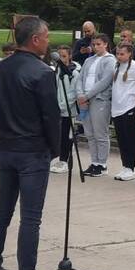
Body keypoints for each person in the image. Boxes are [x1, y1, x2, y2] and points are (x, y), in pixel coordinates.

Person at [0, 16, 62, 270]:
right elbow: (51, 116)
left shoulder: (0, 68)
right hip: (32, 151)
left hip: (6, 148)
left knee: (2, 211)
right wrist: (55, 149)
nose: (49, 41)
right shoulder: (42, 72)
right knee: (30, 218)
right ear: (35, 39)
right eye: (47, 36)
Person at [76, 34, 115, 177]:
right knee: (90, 133)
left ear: (105, 44)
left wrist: (87, 96)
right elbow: (80, 78)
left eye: (99, 44)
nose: (96, 47)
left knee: (100, 133)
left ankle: (102, 164)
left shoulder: (110, 60)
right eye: (94, 44)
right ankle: (94, 162)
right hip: (85, 101)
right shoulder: (89, 60)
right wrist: (80, 95)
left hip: (99, 100)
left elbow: (104, 82)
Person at [108, 43, 135, 181]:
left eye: (122, 54)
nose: (119, 56)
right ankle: (125, 166)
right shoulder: (116, 66)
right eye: (117, 53)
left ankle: (131, 168)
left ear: (130, 54)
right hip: (116, 108)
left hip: (129, 107)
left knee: (129, 138)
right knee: (121, 139)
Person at [49, 46, 81, 174]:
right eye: (59, 56)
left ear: (70, 56)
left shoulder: (74, 73)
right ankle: (58, 158)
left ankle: (64, 161)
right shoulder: (57, 71)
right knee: (58, 135)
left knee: (66, 136)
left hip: (68, 110)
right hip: (57, 109)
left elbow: (73, 93)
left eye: (64, 56)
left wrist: (61, 105)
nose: (61, 59)